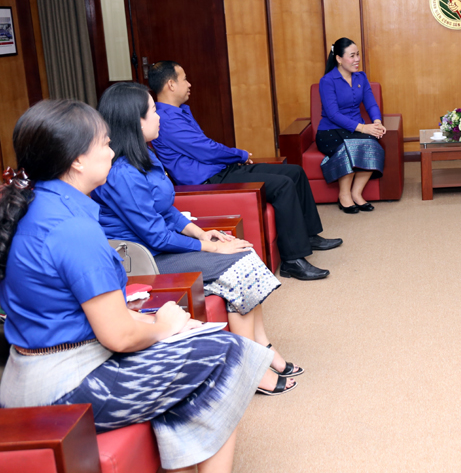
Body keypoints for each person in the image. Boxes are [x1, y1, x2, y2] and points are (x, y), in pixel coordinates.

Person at [0, 100, 272, 473]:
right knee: (226, 353)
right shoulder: (72, 230)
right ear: (77, 160)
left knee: (197, 338)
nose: (112, 152)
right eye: (104, 143)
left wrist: (158, 324)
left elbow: (80, 313)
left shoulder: (44, 206)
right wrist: (163, 326)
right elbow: (119, 337)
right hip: (66, 386)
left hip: (38, 371)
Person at [92, 82, 300, 395]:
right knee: (240, 264)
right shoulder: (122, 172)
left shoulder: (145, 155)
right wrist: (210, 247)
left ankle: (263, 349)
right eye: (153, 111)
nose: (159, 117)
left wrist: (202, 233)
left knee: (243, 255)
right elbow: (156, 236)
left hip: (160, 247)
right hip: (144, 258)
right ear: (135, 121)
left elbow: (166, 209)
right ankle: (251, 368)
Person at [148, 60, 339, 281]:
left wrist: (234, 157)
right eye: (184, 79)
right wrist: (239, 154)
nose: (189, 84)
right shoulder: (167, 119)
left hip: (222, 170)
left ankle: (308, 235)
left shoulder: (178, 112)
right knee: (283, 185)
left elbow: (204, 148)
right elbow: (205, 150)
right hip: (209, 180)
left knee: (294, 172)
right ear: (171, 84)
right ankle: (293, 261)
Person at [316, 38, 386, 213]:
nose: (357, 59)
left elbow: (371, 104)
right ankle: (344, 195)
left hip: (354, 128)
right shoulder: (327, 81)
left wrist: (377, 122)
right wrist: (363, 128)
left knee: (373, 145)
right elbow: (333, 114)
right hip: (330, 131)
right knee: (350, 146)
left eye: (358, 55)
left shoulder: (361, 77)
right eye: (352, 56)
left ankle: (356, 193)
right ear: (339, 59)